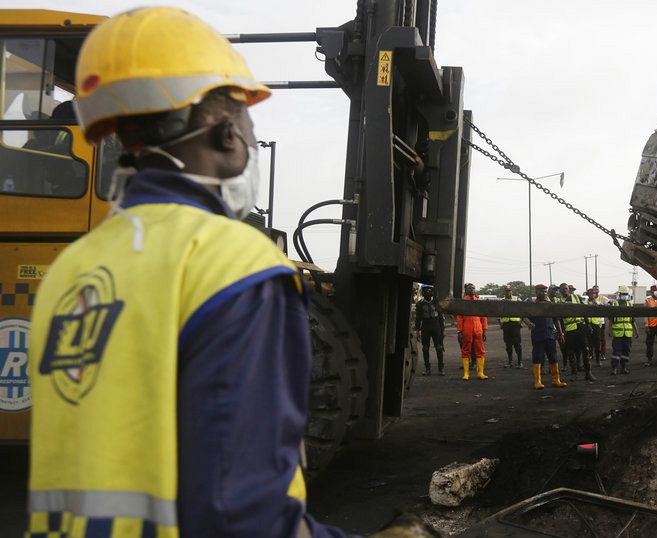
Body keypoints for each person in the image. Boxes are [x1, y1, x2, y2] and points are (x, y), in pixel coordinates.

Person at [25, 7, 355, 537]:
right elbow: (241, 519)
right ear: (226, 133)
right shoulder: (235, 265)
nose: (249, 136)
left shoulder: (71, 270)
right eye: (247, 118)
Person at [523, 284, 567, 389]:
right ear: (536, 292)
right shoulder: (532, 305)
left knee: (553, 357)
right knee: (537, 357)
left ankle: (556, 380)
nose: (543, 293)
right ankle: (537, 381)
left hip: (550, 335)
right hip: (538, 335)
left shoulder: (550, 305)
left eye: (545, 291)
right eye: (541, 291)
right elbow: (524, 316)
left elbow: (556, 320)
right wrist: (528, 323)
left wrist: (560, 333)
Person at [558, 283, 593, 380]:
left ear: (569, 289)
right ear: (560, 291)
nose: (565, 290)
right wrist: (562, 332)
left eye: (566, 288)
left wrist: (588, 324)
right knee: (571, 352)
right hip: (569, 330)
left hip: (580, 328)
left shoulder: (577, 297)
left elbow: (584, 311)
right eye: (563, 289)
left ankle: (588, 373)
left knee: (585, 351)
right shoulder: (560, 302)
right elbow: (560, 319)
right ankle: (574, 373)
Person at [456, 282, 488, 380]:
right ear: (466, 290)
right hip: (467, 329)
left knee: (480, 350)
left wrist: (484, 330)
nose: (472, 290)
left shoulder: (478, 302)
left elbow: (483, 317)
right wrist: (459, 331)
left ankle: (480, 373)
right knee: (466, 350)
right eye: (470, 288)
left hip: (478, 329)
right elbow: (459, 318)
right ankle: (466, 373)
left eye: (473, 288)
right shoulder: (463, 302)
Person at [415, 284, 446, 375]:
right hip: (425, 326)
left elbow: (441, 317)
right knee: (425, 348)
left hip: (436, 326)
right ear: (423, 291)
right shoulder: (420, 304)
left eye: (429, 290)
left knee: (439, 348)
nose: (428, 291)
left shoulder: (437, 303)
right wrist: (417, 331)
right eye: (426, 290)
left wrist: (443, 330)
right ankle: (427, 369)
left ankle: (441, 369)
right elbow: (418, 318)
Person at [610, 286, 638, 375]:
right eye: (623, 294)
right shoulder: (614, 305)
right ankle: (614, 368)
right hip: (617, 333)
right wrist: (609, 330)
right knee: (616, 351)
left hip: (628, 332)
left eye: (626, 294)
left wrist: (636, 330)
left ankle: (623, 367)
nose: (625, 296)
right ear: (620, 295)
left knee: (626, 351)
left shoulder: (630, 305)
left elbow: (632, 320)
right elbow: (611, 319)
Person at [498, 285, 524, 369]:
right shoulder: (502, 301)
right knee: (508, 344)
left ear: (511, 291)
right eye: (506, 291)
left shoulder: (517, 299)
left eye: (509, 290)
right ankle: (510, 362)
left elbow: (523, 310)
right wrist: (500, 323)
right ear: (504, 291)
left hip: (515, 324)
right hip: (506, 325)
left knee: (517, 344)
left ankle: (520, 362)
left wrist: (520, 321)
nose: (508, 292)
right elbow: (498, 313)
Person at [584, 287, 603, 369]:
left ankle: (598, 360)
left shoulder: (598, 303)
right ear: (587, 295)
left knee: (597, 344)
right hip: (587, 325)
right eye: (591, 293)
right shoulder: (585, 303)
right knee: (588, 343)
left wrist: (595, 302)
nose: (592, 295)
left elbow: (601, 313)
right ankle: (589, 357)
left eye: (594, 293)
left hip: (596, 325)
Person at [593, 284, 609, 362]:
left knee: (602, 339)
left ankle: (602, 354)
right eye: (594, 289)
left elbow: (609, 304)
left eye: (597, 289)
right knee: (592, 340)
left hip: (601, 322)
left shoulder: (602, 298)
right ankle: (592, 354)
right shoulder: (589, 299)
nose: (596, 291)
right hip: (592, 322)